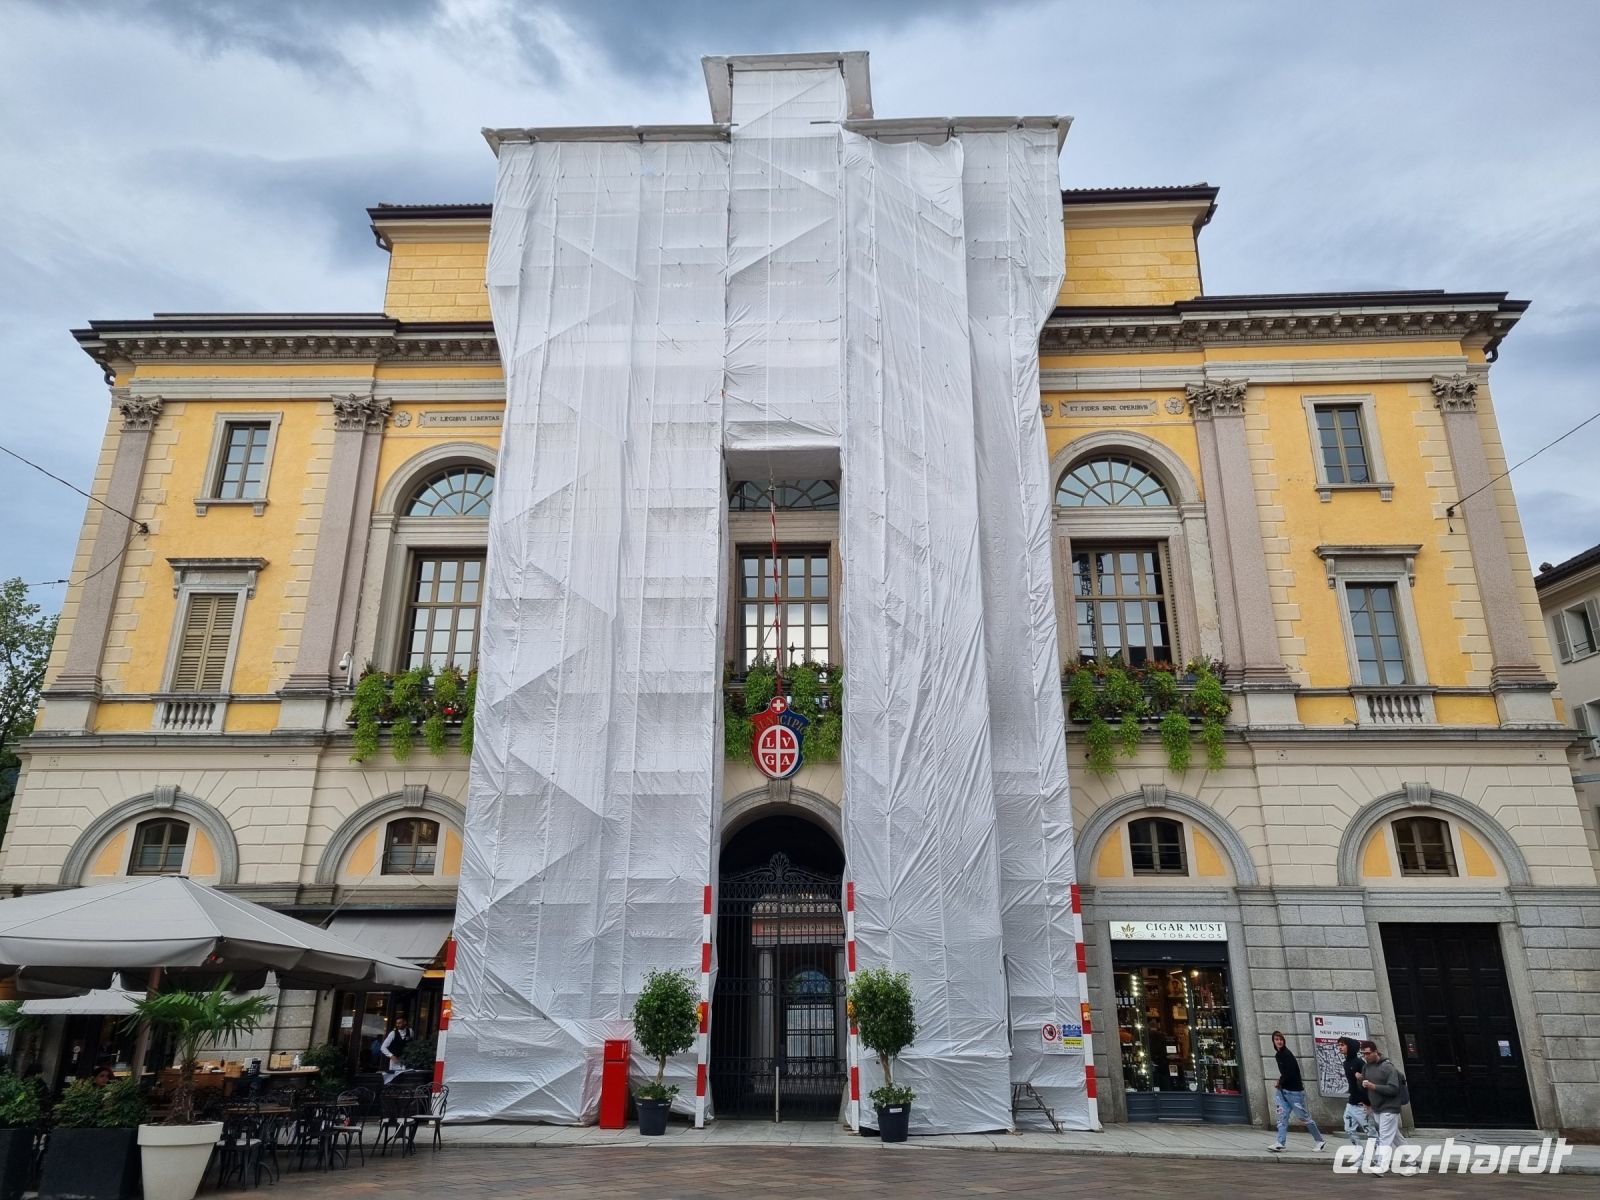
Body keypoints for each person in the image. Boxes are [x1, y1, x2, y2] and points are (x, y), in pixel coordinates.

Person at [1357, 1040, 1413, 1175]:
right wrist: (1361, 1082)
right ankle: (1413, 1163)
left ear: (1376, 1052)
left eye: (1368, 1053)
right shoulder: (1366, 1067)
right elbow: (1364, 1088)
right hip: (1377, 1107)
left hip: (1390, 1107)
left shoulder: (1388, 1067)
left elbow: (1393, 1089)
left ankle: (1382, 1165)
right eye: (1363, 1054)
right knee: (1396, 1137)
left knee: (1384, 1137)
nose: (1366, 1056)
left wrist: (1373, 1086)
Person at [1267, 1030, 1325, 1151]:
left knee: (1304, 1117)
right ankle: (1280, 1142)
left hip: (1294, 1092)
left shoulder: (1287, 1054)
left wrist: (1280, 1081)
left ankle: (1320, 1141)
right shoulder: (1278, 1055)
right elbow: (1285, 1073)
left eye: (1281, 1039)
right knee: (1282, 1117)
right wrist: (1280, 1082)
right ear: (1273, 1041)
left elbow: (1291, 1073)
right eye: (1276, 1039)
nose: (1279, 1041)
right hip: (1283, 1092)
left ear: (1284, 1041)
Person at [1337, 1036, 1375, 1145]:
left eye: (1342, 1045)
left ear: (1350, 1047)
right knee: (1349, 1130)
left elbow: (1369, 1081)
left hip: (1361, 1104)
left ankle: (1378, 1154)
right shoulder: (1346, 1063)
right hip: (1351, 1103)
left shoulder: (1359, 1063)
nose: (1340, 1047)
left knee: (1370, 1132)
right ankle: (1360, 1153)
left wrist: (1367, 1102)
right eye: (1339, 1045)